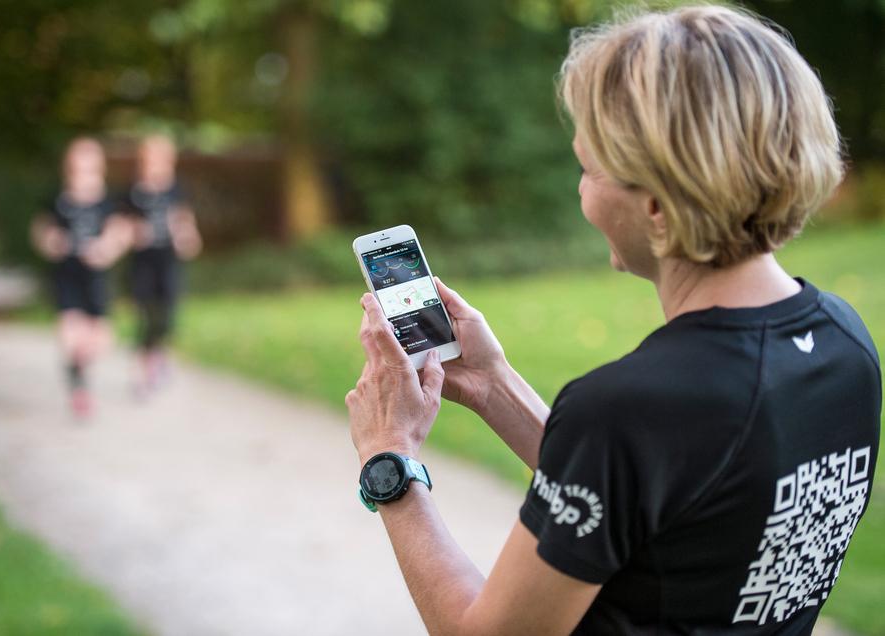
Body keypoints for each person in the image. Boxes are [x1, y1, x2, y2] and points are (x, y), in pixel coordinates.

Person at [345, 5, 881, 634]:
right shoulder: (846, 345)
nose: (581, 192)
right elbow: (661, 495)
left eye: (589, 168)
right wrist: (493, 386)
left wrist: (391, 459)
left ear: (655, 207)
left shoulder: (629, 409)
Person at [30, 137, 132, 418]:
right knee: (69, 333)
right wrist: (51, 242)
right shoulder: (58, 201)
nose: (81, 175)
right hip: (67, 275)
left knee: (100, 340)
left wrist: (106, 249)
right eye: (76, 168)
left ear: (99, 169)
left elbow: (121, 232)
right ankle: (79, 388)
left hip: (96, 278)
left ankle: (81, 366)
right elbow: (41, 231)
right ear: (68, 169)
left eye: (87, 168)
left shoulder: (108, 203)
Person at [123, 134, 201, 396]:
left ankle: (159, 355)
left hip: (168, 263)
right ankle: (143, 370)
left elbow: (186, 223)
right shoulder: (134, 193)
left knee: (167, 315)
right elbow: (121, 228)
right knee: (145, 315)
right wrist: (136, 233)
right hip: (143, 264)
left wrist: (187, 238)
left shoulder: (176, 191)